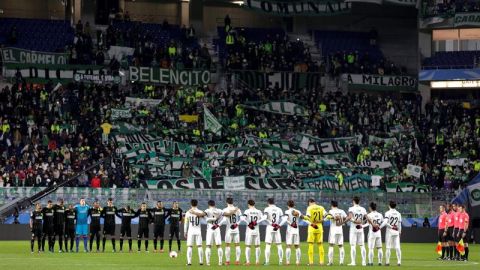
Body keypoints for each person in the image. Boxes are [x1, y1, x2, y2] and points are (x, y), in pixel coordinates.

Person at [191, 200, 224, 266]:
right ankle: (220, 262)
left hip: (210, 229)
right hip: (217, 228)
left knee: (208, 246)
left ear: (209, 205)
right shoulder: (219, 210)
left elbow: (201, 214)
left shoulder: (207, 210)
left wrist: (193, 212)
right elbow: (226, 215)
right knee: (219, 246)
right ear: (214, 204)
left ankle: (208, 262)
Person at [300, 198, 326, 266]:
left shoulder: (309, 208)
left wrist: (301, 216)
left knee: (311, 244)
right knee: (320, 244)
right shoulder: (321, 207)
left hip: (312, 227)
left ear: (310, 202)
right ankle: (321, 262)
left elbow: (308, 217)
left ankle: (311, 262)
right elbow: (326, 215)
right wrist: (321, 220)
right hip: (319, 227)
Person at [345, 196, 367, 266]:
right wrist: (361, 222)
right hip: (360, 228)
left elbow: (350, 217)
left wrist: (355, 221)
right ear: (359, 201)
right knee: (362, 245)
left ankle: (353, 262)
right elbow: (366, 218)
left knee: (353, 245)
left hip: (353, 229)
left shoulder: (351, 208)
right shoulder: (363, 209)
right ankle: (364, 262)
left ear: (353, 201)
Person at [241, 199, 264, 266]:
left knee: (248, 246)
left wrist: (248, 224)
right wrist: (256, 222)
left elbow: (243, 218)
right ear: (254, 204)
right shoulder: (258, 211)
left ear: (248, 204)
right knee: (257, 246)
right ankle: (257, 261)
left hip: (249, 230)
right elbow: (263, 218)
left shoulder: (247, 211)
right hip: (256, 230)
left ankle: (248, 262)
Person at [263, 198, 284, 265]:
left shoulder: (267, 209)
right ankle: (280, 261)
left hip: (270, 227)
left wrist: (271, 223)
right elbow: (284, 219)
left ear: (268, 202)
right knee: (279, 245)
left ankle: (267, 261)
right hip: (277, 228)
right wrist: (279, 225)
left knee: (268, 244)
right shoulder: (279, 209)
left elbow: (265, 218)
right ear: (274, 202)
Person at [221, 197, 242, 265]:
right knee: (237, 245)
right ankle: (237, 261)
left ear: (226, 202)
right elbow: (242, 218)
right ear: (233, 202)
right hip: (236, 228)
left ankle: (227, 261)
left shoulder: (225, 209)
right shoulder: (237, 209)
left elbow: (224, 219)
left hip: (229, 229)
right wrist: (237, 224)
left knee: (227, 245)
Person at [326, 200, 347, 266]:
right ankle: (341, 262)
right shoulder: (342, 211)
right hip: (340, 230)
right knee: (340, 246)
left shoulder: (331, 211)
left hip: (333, 230)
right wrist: (342, 222)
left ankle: (330, 262)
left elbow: (327, 218)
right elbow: (346, 218)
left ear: (331, 205)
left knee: (331, 245)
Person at [184, 199, 204, 266]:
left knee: (190, 246)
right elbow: (204, 218)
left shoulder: (188, 212)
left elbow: (186, 223)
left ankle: (189, 262)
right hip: (198, 230)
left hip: (191, 231)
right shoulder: (200, 211)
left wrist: (185, 232)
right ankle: (201, 262)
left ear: (191, 204)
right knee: (199, 246)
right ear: (197, 204)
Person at [382, 201, 402, 266]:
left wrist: (379, 227)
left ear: (389, 205)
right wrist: (399, 232)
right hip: (396, 232)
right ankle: (399, 262)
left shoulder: (387, 213)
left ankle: (387, 262)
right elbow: (399, 224)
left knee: (388, 247)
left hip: (389, 232)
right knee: (398, 247)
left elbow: (385, 223)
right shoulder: (398, 213)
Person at [282, 200, 301, 266]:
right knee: (297, 246)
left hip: (290, 230)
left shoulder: (287, 211)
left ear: (288, 205)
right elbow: (301, 217)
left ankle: (287, 261)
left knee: (288, 246)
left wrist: (290, 223)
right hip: (296, 230)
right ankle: (298, 262)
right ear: (294, 205)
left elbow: (286, 219)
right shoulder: (298, 211)